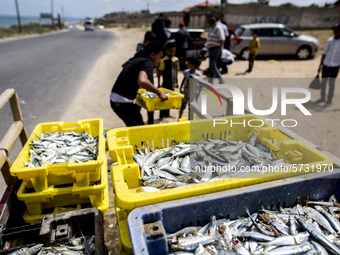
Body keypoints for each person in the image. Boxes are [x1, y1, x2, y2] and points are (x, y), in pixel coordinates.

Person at [110, 42, 167, 127]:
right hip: (122, 102)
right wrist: (160, 93)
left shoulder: (139, 59)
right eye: (160, 57)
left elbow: (125, 67)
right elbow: (142, 81)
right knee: (139, 130)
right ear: (152, 55)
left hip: (115, 99)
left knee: (134, 124)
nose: (160, 60)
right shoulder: (148, 63)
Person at [316, 23, 340, 108]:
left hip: (335, 66)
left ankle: (329, 100)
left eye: (337, 31)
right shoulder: (330, 40)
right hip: (326, 64)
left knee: (331, 83)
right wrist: (320, 66)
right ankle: (322, 97)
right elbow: (324, 53)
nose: (335, 32)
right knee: (324, 82)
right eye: (334, 31)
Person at [158, 42, 180, 119]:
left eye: (173, 51)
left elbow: (176, 71)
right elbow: (159, 72)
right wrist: (158, 83)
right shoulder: (164, 60)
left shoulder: (176, 60)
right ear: (166, 51)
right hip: (166, 83)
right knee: (164, 99)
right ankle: (162, 115)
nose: (172, 53)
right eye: (170, 51)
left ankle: (167, 114)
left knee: (170, 99)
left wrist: (177, 82)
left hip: (173, 83)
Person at [205, 17, 225, 84]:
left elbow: (222, 39)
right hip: (211, 48)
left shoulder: (218, 28)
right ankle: (210, 81)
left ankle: (220, 79)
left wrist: (219, 49)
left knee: (213, 65)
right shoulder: (212, 28)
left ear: (212, 23)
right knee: (211, 66)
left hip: (215, 48)